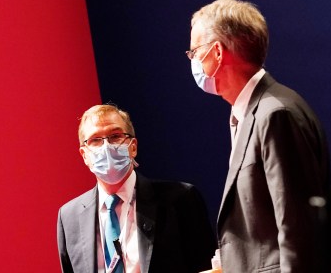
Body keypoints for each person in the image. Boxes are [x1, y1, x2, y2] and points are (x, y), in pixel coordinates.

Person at [188, 0, 331, 272]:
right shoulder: (249, 114)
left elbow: (297, 229)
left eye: (195, 51)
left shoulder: (275, 113)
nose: (192, 60)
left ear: (217, 52)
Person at [57, 104, 216, 273]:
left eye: (115, 136)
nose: (106, 147)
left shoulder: (180, 199)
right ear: (84, 155)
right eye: (95, 140)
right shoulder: (69, 217)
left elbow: (207, 267)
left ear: (133, 147)